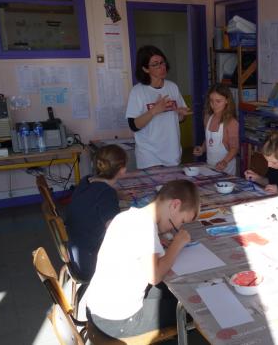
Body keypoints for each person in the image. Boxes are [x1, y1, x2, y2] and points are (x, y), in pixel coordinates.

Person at [85, 180, 200, 339]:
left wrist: (159, 242)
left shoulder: (130, 215)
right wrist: (177, 245)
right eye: (181, 222)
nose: (178, 228)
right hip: (118, 321)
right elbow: (155, 276)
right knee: (192, 308)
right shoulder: (145, 228)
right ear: (174, 205)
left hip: (97, 308)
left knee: (173, 293)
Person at [65, 144, 127, 282]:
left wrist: (116, 195)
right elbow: (116, 231)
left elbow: (95, 198)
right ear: (122, 170)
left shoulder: (86, 181)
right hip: (89, 264)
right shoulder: (106, 194)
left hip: (75, 253)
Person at [126, 45, 190, 169]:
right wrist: (154, 111)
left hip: (172, 153)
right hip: (149, 156)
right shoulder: (138, 91)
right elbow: (133, 125)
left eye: (162, 62)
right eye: (155, 64)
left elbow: (180, 120)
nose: (162, 67)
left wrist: (181, 114)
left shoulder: (172, 87)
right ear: (145, 69)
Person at [192, 84, 239, 175]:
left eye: (218, 101)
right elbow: (209, 140)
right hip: (210, 167)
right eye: (211, 101)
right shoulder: (208, 117)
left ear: (227, 101)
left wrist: (224, 161)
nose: (214, 105)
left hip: (226, 170)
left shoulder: (231, 123)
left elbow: (234, 148)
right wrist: (202, 149)